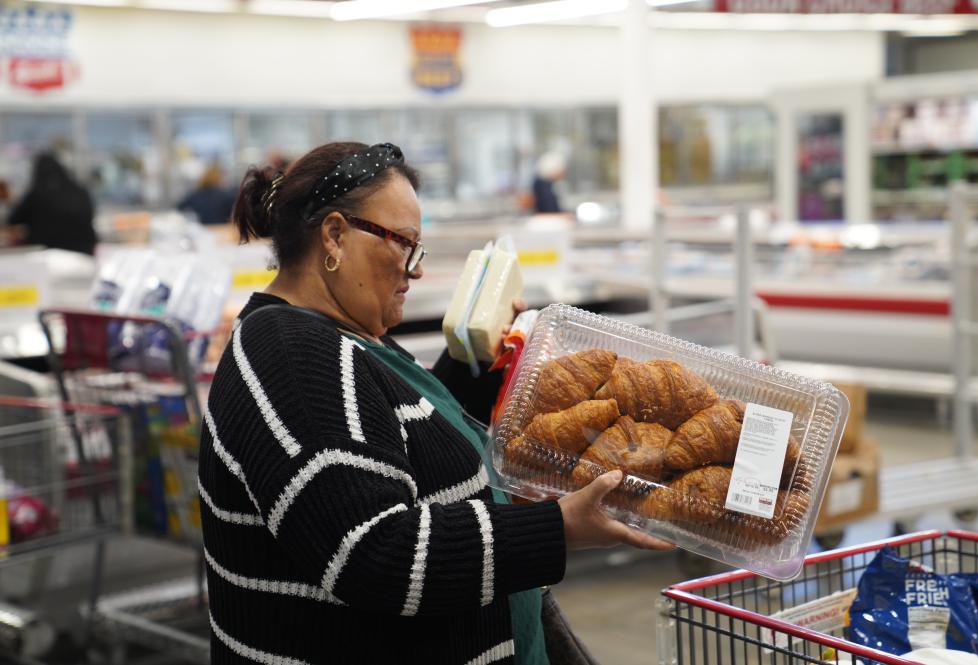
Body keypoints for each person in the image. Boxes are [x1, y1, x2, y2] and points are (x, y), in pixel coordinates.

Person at [200, 141, 672, 665]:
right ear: (334, 235)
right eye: (404, 243)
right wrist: (557, 528)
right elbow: (373, 553)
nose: (416, 269)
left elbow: (402, 440)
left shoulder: (344, 334)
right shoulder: (288, 355)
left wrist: (475, 362)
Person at [8, 153, 96, 255]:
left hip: (46, 252)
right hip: (84, 252)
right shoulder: (80, 191)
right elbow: (90, 215)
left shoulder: (37, 194)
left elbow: (13, 220)